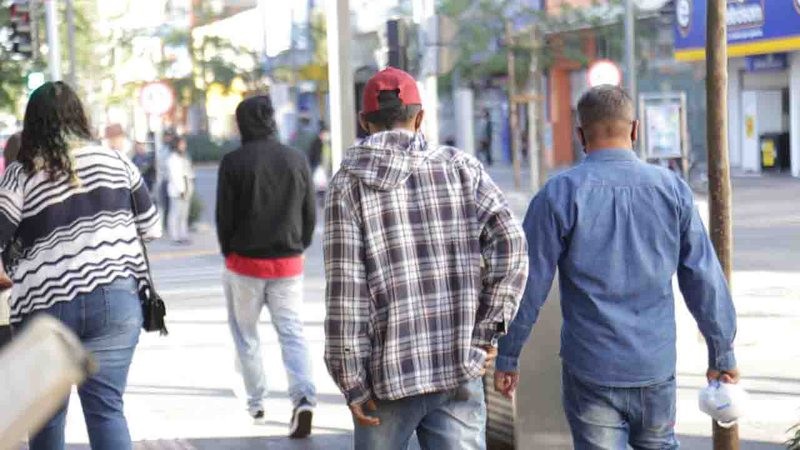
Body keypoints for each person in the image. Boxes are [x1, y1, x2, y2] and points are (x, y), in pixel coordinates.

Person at [495, 85, 738, 450]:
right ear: (635, 129)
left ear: (580, 135)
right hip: (654, 366)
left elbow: (528, 284)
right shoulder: (672, 190)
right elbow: (704, 277)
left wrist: (509, 355)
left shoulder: (559, 194)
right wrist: (722, 354)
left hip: (592, 368)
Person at [323, 67, 528, 450]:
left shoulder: (346, 186)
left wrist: (350, 379)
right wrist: (487, 332)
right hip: (458, 366)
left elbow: (345, 295)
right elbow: (512, 245)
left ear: (364, 122)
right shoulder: (462, 169)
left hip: (386, 379)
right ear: (420, 118)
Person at [0, 81, 161, 449]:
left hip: (47, 307)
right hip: (117, 301)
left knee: (46, 417)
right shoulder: (117, 162)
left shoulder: (22, 173)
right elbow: (152, 228)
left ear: (33, 122)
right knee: (107, 411)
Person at [216, 95, 318, 438]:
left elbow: (224, 218)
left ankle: (256, 402)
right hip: (288, 265)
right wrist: (298, 246)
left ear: (242, 123)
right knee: (292, 332)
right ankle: (303, 397)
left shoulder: (233, 162)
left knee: (246, 334)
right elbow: (309, 214)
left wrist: (229, 252)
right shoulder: (296, 159)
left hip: (244, 264)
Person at [166, 136, 193, 244]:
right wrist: (181, 190)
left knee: (184, 215)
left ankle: (183, 234)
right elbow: (175, 176)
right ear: (176, 145)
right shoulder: (172, 159)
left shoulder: (184, 157)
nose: (184, 146)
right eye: (182, 144)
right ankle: (175, 236)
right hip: (177, 191)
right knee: (175, 214)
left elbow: (188, 171)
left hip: (187, 189)